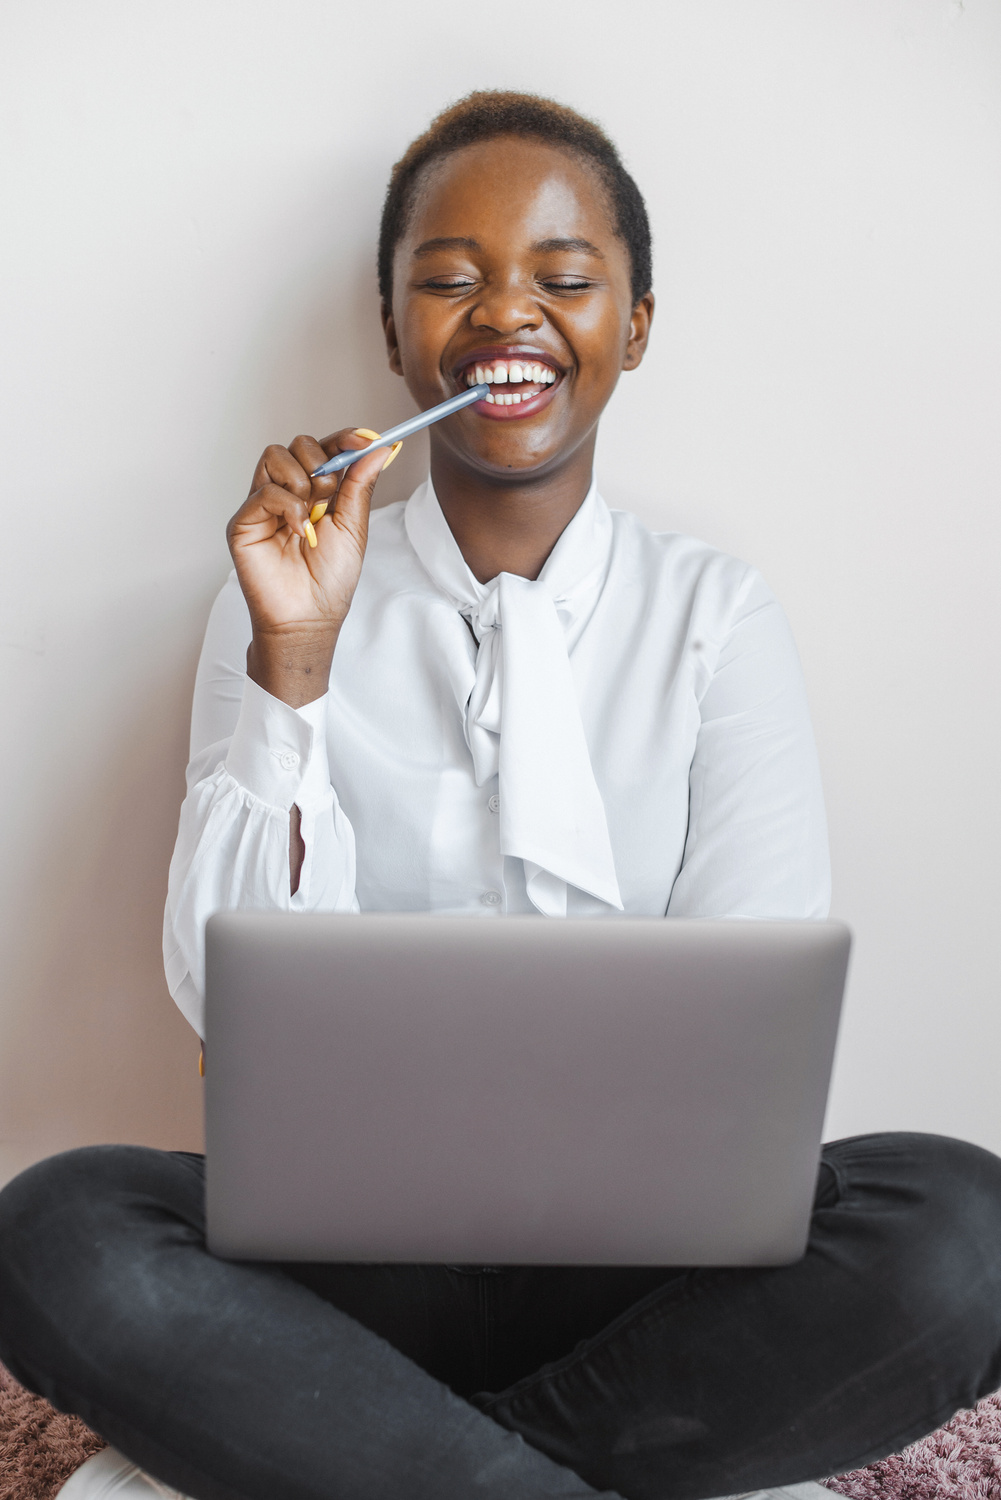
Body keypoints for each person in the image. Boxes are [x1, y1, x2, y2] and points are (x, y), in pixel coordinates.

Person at [1, 91, 999, 1500]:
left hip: (647, 1296)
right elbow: (224, 1003)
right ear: (396, 333)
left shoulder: (712, 613)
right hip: (345, 1284)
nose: (503, 315)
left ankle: (391, 1461)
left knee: (964, 1231)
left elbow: (747, 1014)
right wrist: (296, 656)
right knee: (59, 1226)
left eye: (562, 280)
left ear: (633, 327)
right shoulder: (273, 596)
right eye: (450, 282)